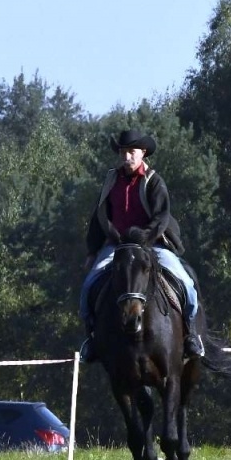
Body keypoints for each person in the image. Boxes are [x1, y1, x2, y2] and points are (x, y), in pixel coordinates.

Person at [79, 129, 205, 362]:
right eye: (123, 152)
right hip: (117, 245)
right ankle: (92, 339)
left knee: (186, 283)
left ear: (142, 153)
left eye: (131, 152)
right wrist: (92, 249)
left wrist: (145, 238)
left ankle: (192, 334)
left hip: (152, 243)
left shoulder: (154, 181)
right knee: (88, 286)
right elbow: (99, 215)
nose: (126, 157)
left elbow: (161, 217)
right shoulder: (111, 180)